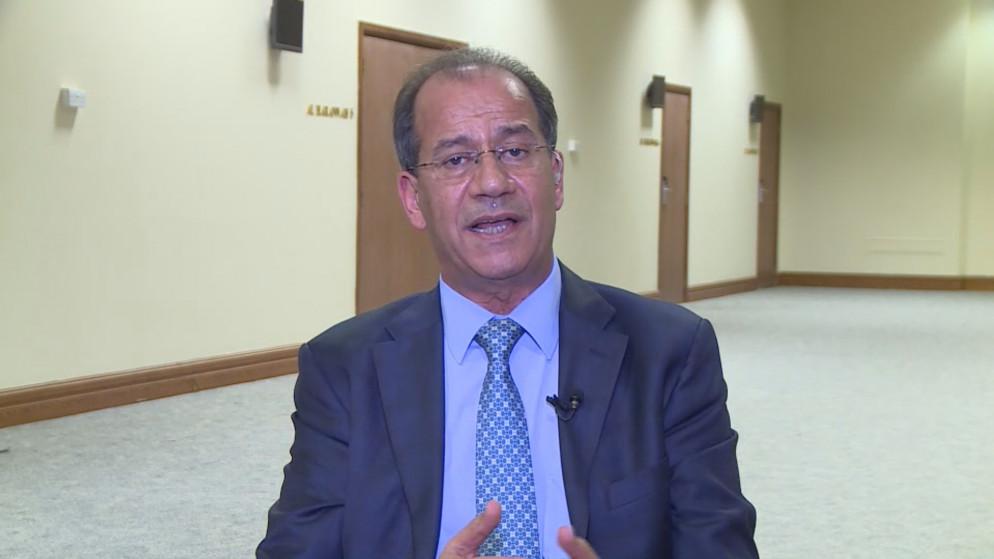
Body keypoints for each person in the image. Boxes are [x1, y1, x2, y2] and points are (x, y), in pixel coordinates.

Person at [257, 47, 758, 559]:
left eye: (515, 151)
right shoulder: (343, 369)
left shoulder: (669, 351)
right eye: (456, 160)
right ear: (413, 199)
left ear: (556, 178)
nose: (492, 182)